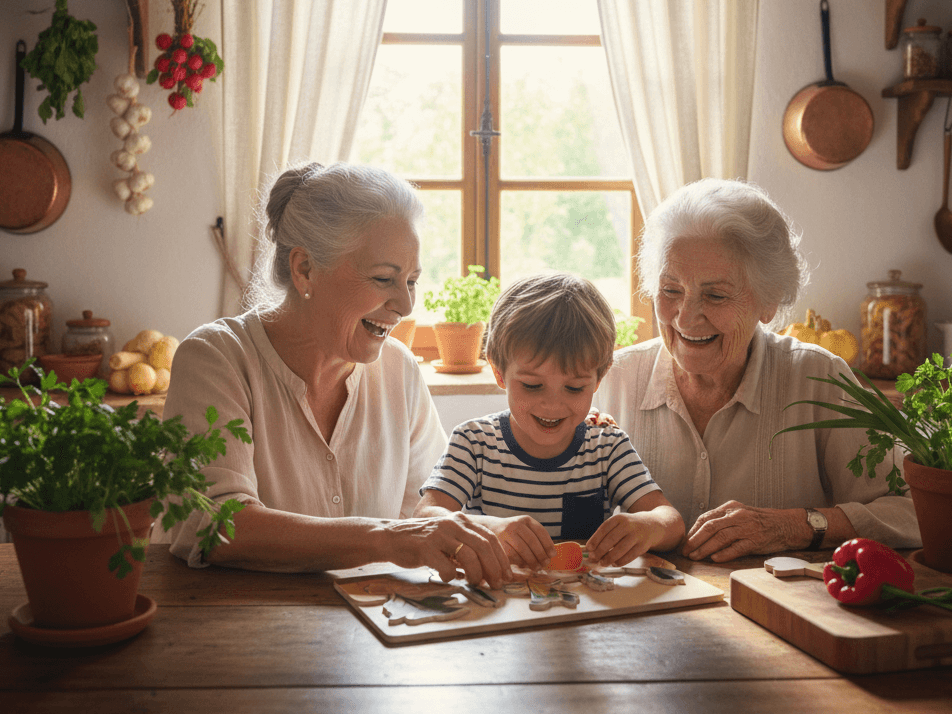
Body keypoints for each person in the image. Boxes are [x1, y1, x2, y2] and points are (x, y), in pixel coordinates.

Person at [154, 161, 511, 588]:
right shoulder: (215, 358)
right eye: (384, 278)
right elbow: (214, 526)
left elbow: (425, 511)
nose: (405, 304)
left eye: (412, 281)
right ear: (305, 269)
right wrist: (388, 537)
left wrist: (491, 529)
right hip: (240, 635)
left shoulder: (400, 370)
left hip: (375, 636)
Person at [595, 178, 921, 563]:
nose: (685, 317)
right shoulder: (613, 380)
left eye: (715, 295)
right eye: (671, 290)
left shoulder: (819, 379)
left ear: (768, 302)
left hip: (781, 615)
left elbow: (912, 512)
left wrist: (793, 526)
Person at [414, 272, 684, 570]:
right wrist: (490, 528)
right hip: (501, 606)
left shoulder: (607, 446)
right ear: (498, 371)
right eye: (532, 385)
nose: (553, 404)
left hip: (589, 609)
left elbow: (670, 522)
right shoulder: (474, 442)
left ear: (600, 377)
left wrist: (648, 526)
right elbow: (426, 516)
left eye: (574, 388)